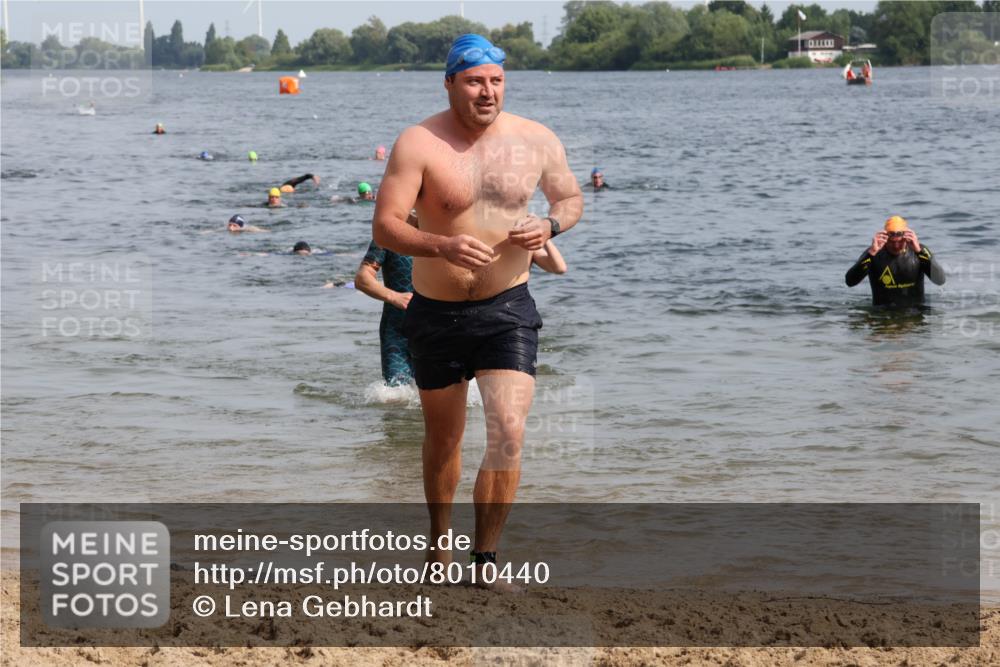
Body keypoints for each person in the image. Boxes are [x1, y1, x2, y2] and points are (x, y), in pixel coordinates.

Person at [372, 33, 583, 587]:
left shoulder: (535, 139)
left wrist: (551, 224)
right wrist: (440, 244)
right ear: (449, 84)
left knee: (508, 431)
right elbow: (386, 226)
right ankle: (439, 549)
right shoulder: (418, 142)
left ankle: (485, 562)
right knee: (443, 440)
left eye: (496, 81)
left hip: (507, 307)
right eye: (474, 81)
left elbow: (569, 197)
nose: (487, 92)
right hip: (435, 312)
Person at [845, 215, 945, 307]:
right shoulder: (873, 254)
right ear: (885, 238)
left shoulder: (919, 252)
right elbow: (850, 281)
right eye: (892, 242)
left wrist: (919, 252)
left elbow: (940, 280)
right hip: (882, 315)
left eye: (900, 241)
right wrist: (871, 253)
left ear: (907, 238)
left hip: (914, 315)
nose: (896, 246)